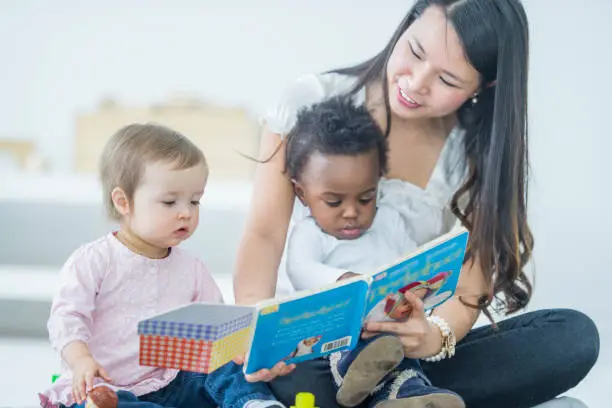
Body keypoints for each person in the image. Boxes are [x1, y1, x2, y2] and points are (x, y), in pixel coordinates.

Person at [233, 1, 600, 407]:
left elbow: (468, 290)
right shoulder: (311, 100)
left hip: (406, 351)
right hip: (312, 352)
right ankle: (403, 397)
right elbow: (265, 234)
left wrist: (431, 336)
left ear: (485, 87)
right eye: (415, 52)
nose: (416, 82)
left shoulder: (476, 152)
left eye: (446, 79)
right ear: (404, 27)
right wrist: (255, 332)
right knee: (295, 377)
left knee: (572, 335)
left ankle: (402, 393)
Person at [39, 124, 284, 408]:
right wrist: (81, 359)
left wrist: (242, 349)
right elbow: (66, 319)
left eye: (195, 201)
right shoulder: (93, 260)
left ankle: (252, 403)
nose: (186, 213)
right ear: (123, 202)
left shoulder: (192, 268)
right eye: (169, 202)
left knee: (223, 368)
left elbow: (218, 329)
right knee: (102, 404)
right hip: (108, 388)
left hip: (173, 382)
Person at [283, 96, 464, 408]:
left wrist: (418, 292)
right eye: (334, 202)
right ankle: (351, 371)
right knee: (366, 346)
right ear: (302, 193)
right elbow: (300, 269)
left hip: (390, 330)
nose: (351, 212)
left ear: (378, 182)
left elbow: (410, 264)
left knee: (399, 357)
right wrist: (348, 280)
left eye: (366, 198)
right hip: (336, 337)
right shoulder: (310, 233)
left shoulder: (389, 221)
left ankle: (404, 397)